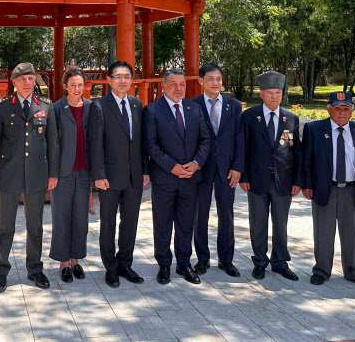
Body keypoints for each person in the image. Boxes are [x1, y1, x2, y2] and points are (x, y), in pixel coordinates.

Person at [0, 63, 59, 292]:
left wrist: (53, 174)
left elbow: (53, 144)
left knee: (35, 226)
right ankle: (0, 270)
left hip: (37, 175)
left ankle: (35, 268)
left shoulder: (46, 107)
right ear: (14, 82)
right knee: (4, 226)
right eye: (23, 79)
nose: (27, 83)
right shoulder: (1, 107)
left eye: (31, 78)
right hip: (8, 174)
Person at [302, 91, 355, 287]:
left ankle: (352, 270)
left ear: (352, 111)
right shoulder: (314, 129)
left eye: (346, 108)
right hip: (325, 189)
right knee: (323, 232)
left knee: (353, 231)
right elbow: (306, 160)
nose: (342, 112)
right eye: (337, 108)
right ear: (329, 109)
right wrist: (307, 185)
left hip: (353, 191)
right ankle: (321, 270)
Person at [143, 68, 210, 285]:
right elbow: (150, 145)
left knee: (185, 223)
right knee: (162, 224)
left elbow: (205, 140)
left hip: (191, 178)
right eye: (173, 84)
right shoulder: (152, 110)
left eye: (181, 84)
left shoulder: (195, 109)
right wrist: (172, 167)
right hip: (165, 178)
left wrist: (196, 163)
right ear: (163, 86)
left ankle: (183, 264)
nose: (178, 88)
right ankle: (164, 265)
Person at [88, 61, 149, 288]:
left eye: (127, 76)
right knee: (108, 223)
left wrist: (145, 170)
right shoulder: (99, 106)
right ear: (109, 80)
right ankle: (111, 267)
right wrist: (99, 174)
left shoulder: (137, 104)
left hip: (134, 176)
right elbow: (95, 144)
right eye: (118, 76)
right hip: (109, 177)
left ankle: (125, 263)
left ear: (131, 80)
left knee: (130, 222)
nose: (123, 80)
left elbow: (140, 142)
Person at [240, 70, 302, 282]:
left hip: (283, 181)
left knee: (281, 223)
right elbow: (243, 149)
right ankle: (259, 262)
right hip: (256, 179)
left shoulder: (291, 118)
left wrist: (297, 181)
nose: (274, 96)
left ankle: (280, 262)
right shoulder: (249, 116)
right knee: (258, 223)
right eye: (269, 92)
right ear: (261, 94)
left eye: (278, 92)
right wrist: (244, 176)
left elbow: (296, 151)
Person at [191, 63, 245, 277]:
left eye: (219, 79)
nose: (215, 83)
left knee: (227, 214)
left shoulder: (234, 105)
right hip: (201, 170)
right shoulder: (192, 105)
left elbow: (239, 139)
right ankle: (202, 259)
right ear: (201, 81)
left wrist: (238, 167)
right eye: (211, 79)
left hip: (227, 170)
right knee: (200, 215)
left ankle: (226, 259)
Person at [49, 67, 92, 283]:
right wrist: (52, 173)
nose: (77, 89)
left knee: (80, 218)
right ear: (65, 86)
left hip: (85, 172)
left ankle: (76, 260)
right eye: (73, 85)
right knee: (61, 217)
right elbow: (52, 143)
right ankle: (63, 262)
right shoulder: (56, 108)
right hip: (63, 173)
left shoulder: (92, 108)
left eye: (80, 85)